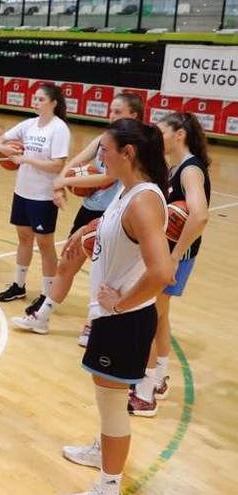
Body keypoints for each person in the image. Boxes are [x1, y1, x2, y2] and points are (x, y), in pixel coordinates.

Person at [60, 118, 173, 495]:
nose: (99, 158)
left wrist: (122, 303)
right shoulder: (129, 191)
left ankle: (109, 484)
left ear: (129, 153)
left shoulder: (143, 201)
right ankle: (101, 452)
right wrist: (84, 232)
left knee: (112, 406)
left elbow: (162, 272)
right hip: (111, 317)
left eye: (104, 150)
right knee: (107, 398)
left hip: (123, 320)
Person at [12, 94, 145, 342]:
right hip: (89, 210)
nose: (111, 115)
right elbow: (74, 161)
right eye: (111, 110)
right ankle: (43, 315)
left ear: (134, 115)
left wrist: (65, 181)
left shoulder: (134, 147)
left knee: (103, 273)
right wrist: (59, 185)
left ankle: (93, 324)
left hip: (116, 214)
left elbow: (108, 178)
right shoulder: (104, 138)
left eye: (118, 111)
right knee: (68, 260)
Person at [127, 112, 211, 416]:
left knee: (151, 316)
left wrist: (174, 257)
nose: (155, 137)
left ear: (179, 135)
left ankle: (146, 393)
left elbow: (199, 215)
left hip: (176, 255)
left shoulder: (190, 170)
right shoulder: (173, 166)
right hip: (170, 252)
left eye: (161, 132)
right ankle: (159, 377)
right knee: (160, 316)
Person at [0, 83, 71, 305]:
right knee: (23, 238)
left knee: (45, 245)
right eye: (34, 99)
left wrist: (25, 158)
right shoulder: (28, 125)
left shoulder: (59, 129)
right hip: (22, 191)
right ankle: (18, 285)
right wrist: (5, 149)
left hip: (44, 196)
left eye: (40, 99)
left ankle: (47, 294)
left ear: (54, 103)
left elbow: (57, 165)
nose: (35, 102)